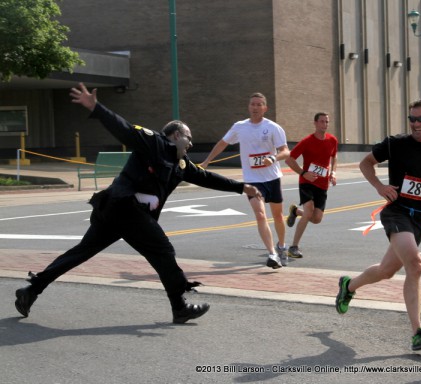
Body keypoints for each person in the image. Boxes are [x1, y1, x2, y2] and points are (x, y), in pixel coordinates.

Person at [14, 83, 262, 324]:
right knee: (163, 251)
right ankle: (180, 307)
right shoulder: (155, 142)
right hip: (123, 207)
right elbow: (124, 129)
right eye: (188, 138)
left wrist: (241, 187)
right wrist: (96, 107)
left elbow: (205, 177)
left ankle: (32, 290)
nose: (191, 144)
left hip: (117, 213)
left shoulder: (181, 163)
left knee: (83, 251)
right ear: (175, 135)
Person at [335, 99, 421, 351]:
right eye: (412, 119)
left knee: (386, 270)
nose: (415, 124)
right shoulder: (395, 143)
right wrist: (380, 186)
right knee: (415, 264)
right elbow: (365, 163)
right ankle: (418, 332)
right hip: (397, 212)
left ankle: (349, 286)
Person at [199, 93, 290, 269]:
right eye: (252, 104)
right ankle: (272, 253)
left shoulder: (273, 128)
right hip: (251, 180)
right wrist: (207, 161)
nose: (255, 107)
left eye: (259, 105)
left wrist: (273, 158)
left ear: (265, 108)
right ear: (249, 107)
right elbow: (222, 143)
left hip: (272, 178)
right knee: (260, 214)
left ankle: (281, 246)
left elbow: (286, 151)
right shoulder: (240, 127)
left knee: (278, 216)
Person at [285, 112, 338, 258]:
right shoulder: (307, 141)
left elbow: (334, 156)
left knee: (316, 219)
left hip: (322, 185)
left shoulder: (332, 140)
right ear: (315, 123)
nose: (325, 124)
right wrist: (303, 173)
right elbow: (289, 160)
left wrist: (333, 172)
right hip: (307, 182)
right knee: (309, 211)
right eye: (322, 122)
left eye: (327, 122)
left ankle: (296, 212)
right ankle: (293, 247)